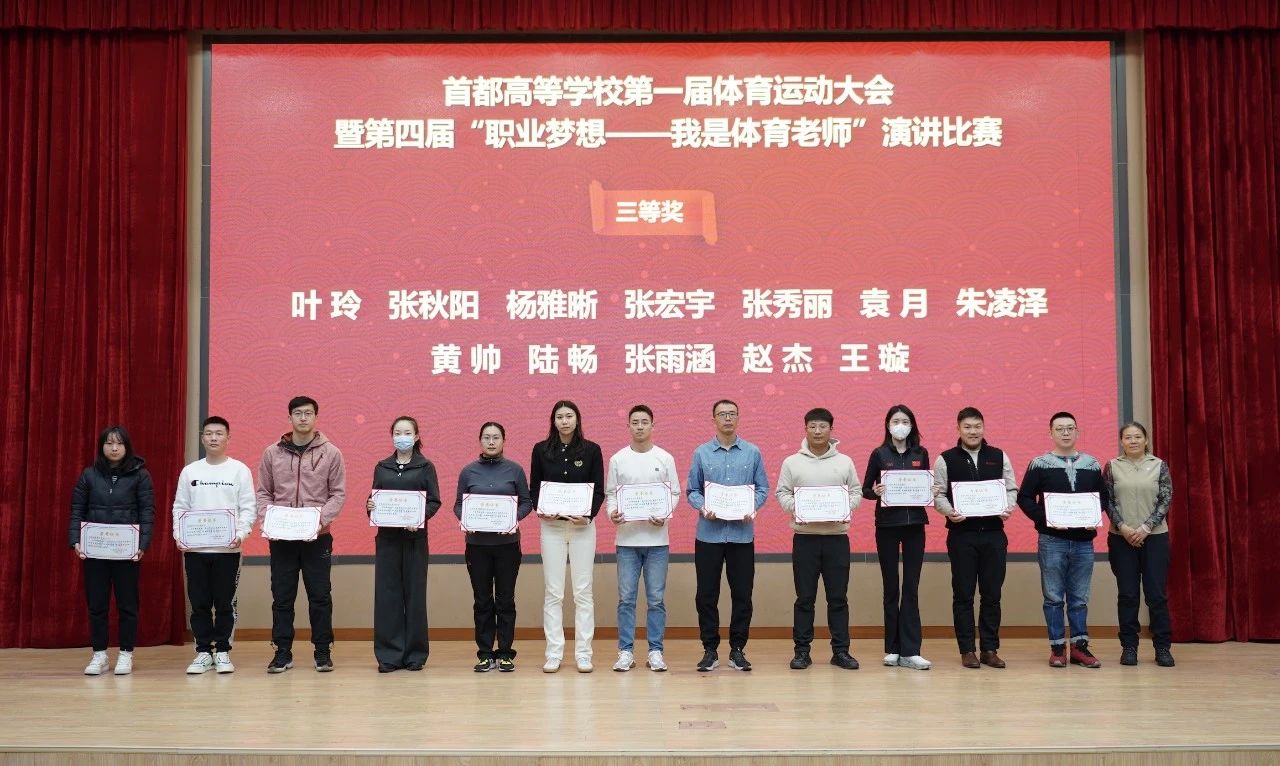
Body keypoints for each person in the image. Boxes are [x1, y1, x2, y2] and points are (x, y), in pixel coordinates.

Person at [256, 395, 346, 674]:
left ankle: (322, 651)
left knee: (320, 596)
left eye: (308, 413)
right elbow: (263, 493)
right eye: (298, 413)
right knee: (282, 597)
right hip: (281, 538)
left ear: (316, 417)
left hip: (317, 537)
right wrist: (268, 521)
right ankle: (282, 652)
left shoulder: (331, 453)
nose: (303, 418)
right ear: (289, 417)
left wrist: (318, 521)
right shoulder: (272, 453)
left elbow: (338, 494)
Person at [1018, 411, 1107, 668]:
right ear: (1051, 433)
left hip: (1083, 542)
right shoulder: (1039, 464)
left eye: (1070, 428)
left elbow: (1103, 497)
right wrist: (1047, 519)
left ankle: (1080, 648)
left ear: (1077, 431)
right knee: (1054, 597)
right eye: (1060, 429)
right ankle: (1057, 648)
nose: (1065, 432)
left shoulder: (1092, 464)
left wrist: (1094, 515)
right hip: (1052, 540)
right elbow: (1024, 498)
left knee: (1079, 598)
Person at [931, 406, 1018, 669]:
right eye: (967, 427)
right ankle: (967, 649)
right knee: (963, 595)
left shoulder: (998, 456)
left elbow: (1011, 488)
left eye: (977, 426)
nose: (973, 431)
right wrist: (950, 511)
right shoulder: (945, 459)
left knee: (992, 595)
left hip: (994, 535)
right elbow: (938, 494)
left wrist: (1007, 508)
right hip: (962, 535)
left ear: (984, 428)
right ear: (958, 429)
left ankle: (990, 649)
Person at [687, 399, 769, 672]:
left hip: (741, 536)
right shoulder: (701, 453)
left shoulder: (752, 452)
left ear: (738, 418)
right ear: (713, 420)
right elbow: (692, 491)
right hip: (708, 535)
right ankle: (710, 650)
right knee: (706, 596)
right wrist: (703, 507)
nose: (727, 418)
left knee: (742, 595)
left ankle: (737, 649)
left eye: (732, 414)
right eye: (722, 414)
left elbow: (762, 488)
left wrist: (751, 507)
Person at [776, 407, 860, 671]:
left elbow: (856, 492)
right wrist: (798, 508)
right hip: (805, 539)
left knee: (838, 598)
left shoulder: (845, 461)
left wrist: (844, 508)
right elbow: (782, 493)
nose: (817, 431)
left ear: (831, 430)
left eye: (822, 426)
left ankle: (841, 651)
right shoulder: (792, 462)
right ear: (805, 429)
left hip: (837, 539)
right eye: (812, 426)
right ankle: (802, 652)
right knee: (805, 598)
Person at [172, 416, 256, 675]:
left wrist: (241, 534)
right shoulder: (190, 471)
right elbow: (180, 507)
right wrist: (179, 534)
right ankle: (202, 652)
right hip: (196, 550)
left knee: (224, 603)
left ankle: (222, 651)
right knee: (199, 603)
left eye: (219, 433)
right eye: (209, 433)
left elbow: (248, 507)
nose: (213, 438)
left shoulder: (239, 470)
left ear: (228, 438)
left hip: (228, 550)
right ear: (202, 438)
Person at [69, 425, 155, 676]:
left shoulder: (141, 476)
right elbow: (77, 509)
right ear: (102, 447)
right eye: (109, 443)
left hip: (126, 551)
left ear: (127, 447)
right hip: (95, 551)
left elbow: (147, 512)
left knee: (128, 604)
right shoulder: (89, 475)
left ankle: (126, 654)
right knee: (97, 605)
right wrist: (75, 540)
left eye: (119, 443)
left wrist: (143, 544)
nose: (114, 448)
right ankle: (99, 655)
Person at [530, 401, 605, 673]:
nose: (564, 421)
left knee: (583, 592)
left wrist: (589, 516)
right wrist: (541, 509)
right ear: (553, 421)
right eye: (559, 416)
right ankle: (554, 653)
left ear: (577, 419)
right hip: (552, 529)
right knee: (553, 592)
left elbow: (598, 490)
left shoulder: (591, 450)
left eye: (569, 416)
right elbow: (534, 488)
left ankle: (584, 654)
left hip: (583, 528)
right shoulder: (541, 450)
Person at [605, 404, 681, 673]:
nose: (639, 426)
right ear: (628, 426)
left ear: (652, 425)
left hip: (657, 541)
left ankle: (655, 651)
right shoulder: (618, 459)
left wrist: (665, 514)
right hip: (627, 541)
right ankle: (625, 652)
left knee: (656, 599)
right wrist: (613, 513)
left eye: (644, 422)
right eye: (635, 422)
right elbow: (611, 494)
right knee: (626, 599)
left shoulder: (665, 458)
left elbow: (674, 493)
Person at [364, 416, 441, 672]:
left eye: (407, 432)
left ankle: (415, 655)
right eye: (398, 432)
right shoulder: (382, 467)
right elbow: (375, 499)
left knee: (415, 596)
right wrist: (370, 505)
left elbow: (434, 501)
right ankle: (388, 655)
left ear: (416, 436)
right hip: (387, 541)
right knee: (387, 597)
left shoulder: (425, 467)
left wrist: (419, 518)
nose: (402, 437)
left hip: (415, 541)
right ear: (392, 436)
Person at [453, 422, 532, 672]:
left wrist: (511, 519)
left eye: (496, 437)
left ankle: (506, 653)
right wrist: (467, 520)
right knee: (482, 600)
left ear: (503, 441)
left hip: (508, 545)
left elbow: (527, 502)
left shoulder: (515, 470)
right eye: (486, 437)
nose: (491, 442)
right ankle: (485, 653)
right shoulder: (468, 471)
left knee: (505, 600)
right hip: (477, 546)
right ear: (480, 441)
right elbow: (458, 505)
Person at [862, 404, 931, 670]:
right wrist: (876, 492)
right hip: (887, 526)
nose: (900, 425)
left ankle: (911, 650)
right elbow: (866, 489)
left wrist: (930, 489)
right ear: (888, 425)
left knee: (911, 587)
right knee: (891, 586)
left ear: (912, 425)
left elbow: (925, 486)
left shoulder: (921, 453)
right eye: (895, 421)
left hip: (915, 526)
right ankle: (892, 648)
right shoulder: (879, 454)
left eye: (905, 421)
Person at [1103, 421, 1175, 667]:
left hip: (1154, 537)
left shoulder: (1159, 465)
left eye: (1137, 437)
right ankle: (1129, 647)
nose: (1133, 441)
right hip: (1121, 538)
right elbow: (1107, 500)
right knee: (1128, 595)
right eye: (1127, 437)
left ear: (1146, 440)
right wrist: (1122, 526)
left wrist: (1145, 528)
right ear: (1121, 441)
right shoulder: (1112, 466)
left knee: (1156, 595)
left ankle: (1162, 647)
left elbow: (1165, 499)